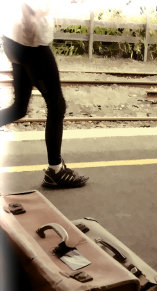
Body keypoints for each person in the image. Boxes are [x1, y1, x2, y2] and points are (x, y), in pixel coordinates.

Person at [0, 0, 89, 188]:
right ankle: (55, 171)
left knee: (19, 108)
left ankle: (55, 170)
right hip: (31, 44)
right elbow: (38, 8)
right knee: (57, 105)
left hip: (15, 40)